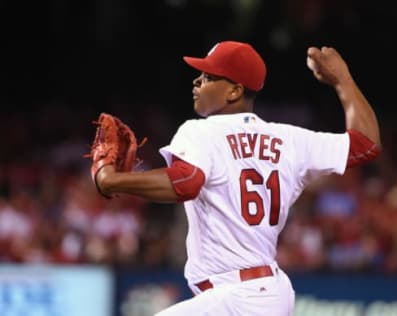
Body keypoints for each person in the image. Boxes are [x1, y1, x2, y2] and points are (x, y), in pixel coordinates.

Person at [94, 40, 381, 315]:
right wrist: (342, 79)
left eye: (207, 76)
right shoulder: (290, 140)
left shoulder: (201, 131)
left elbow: (187, 181)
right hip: (267, 293)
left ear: (233, 91)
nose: (197, 82)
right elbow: (365, 143)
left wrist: (110, 180)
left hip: (237, 297)